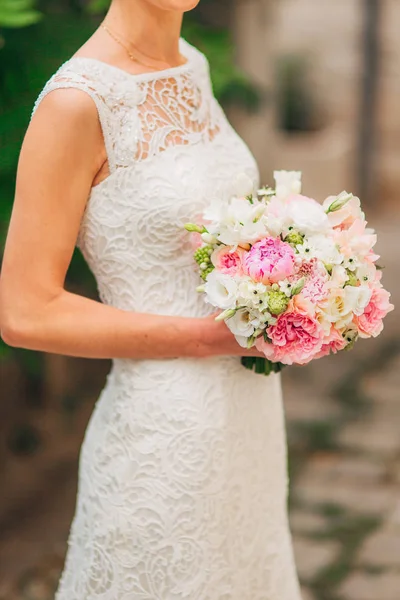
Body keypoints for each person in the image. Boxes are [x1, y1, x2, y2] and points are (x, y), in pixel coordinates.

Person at [0, 0, 302, 598]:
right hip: (165, 433)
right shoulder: (78, 102)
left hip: (248, 412)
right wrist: (212, 337)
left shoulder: (189, 62)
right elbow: (24, 311)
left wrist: (294, 278)